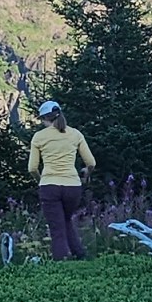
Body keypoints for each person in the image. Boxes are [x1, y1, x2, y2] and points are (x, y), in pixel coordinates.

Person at [26, 100, 96, 260]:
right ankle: (80, 256)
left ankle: (61, 265)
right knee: (65, 220)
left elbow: (32, 168)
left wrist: (41, 180)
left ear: (44, 119)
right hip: (73, 187)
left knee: (57, 229)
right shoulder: (75, 134)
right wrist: (86, 172)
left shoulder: (39, 137)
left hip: (49, 186)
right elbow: (91, 163)